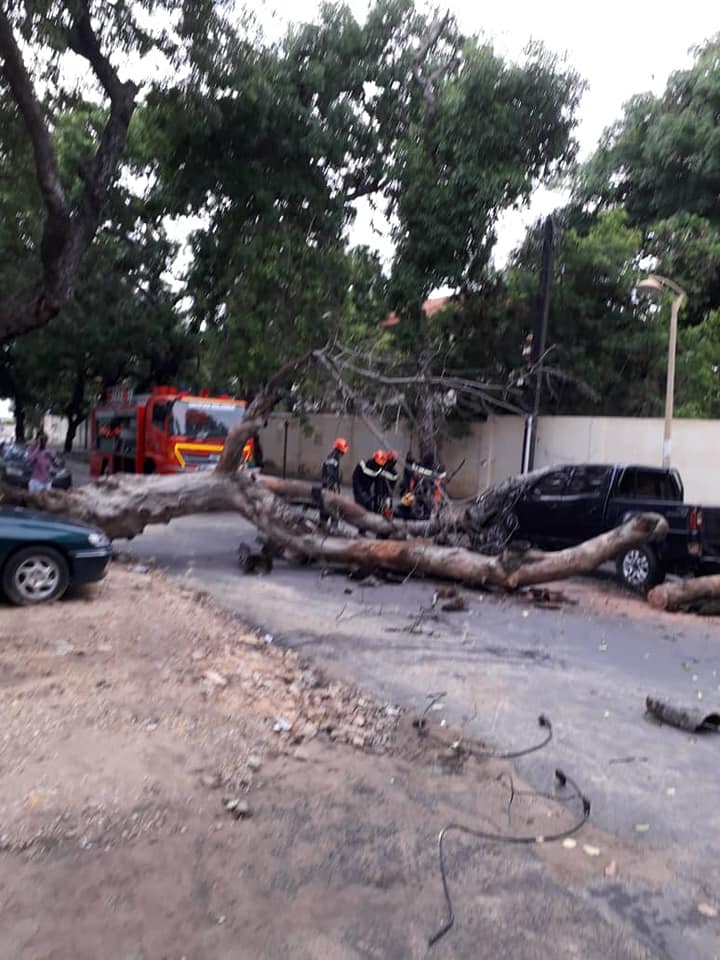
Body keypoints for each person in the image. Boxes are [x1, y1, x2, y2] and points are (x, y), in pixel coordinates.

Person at [375, 449, 399, 517]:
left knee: (387, 510)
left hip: (386, 494)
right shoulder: (382, 467)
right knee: (377, 509)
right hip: (379, 492)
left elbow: (392, 485)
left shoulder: (394, 473)